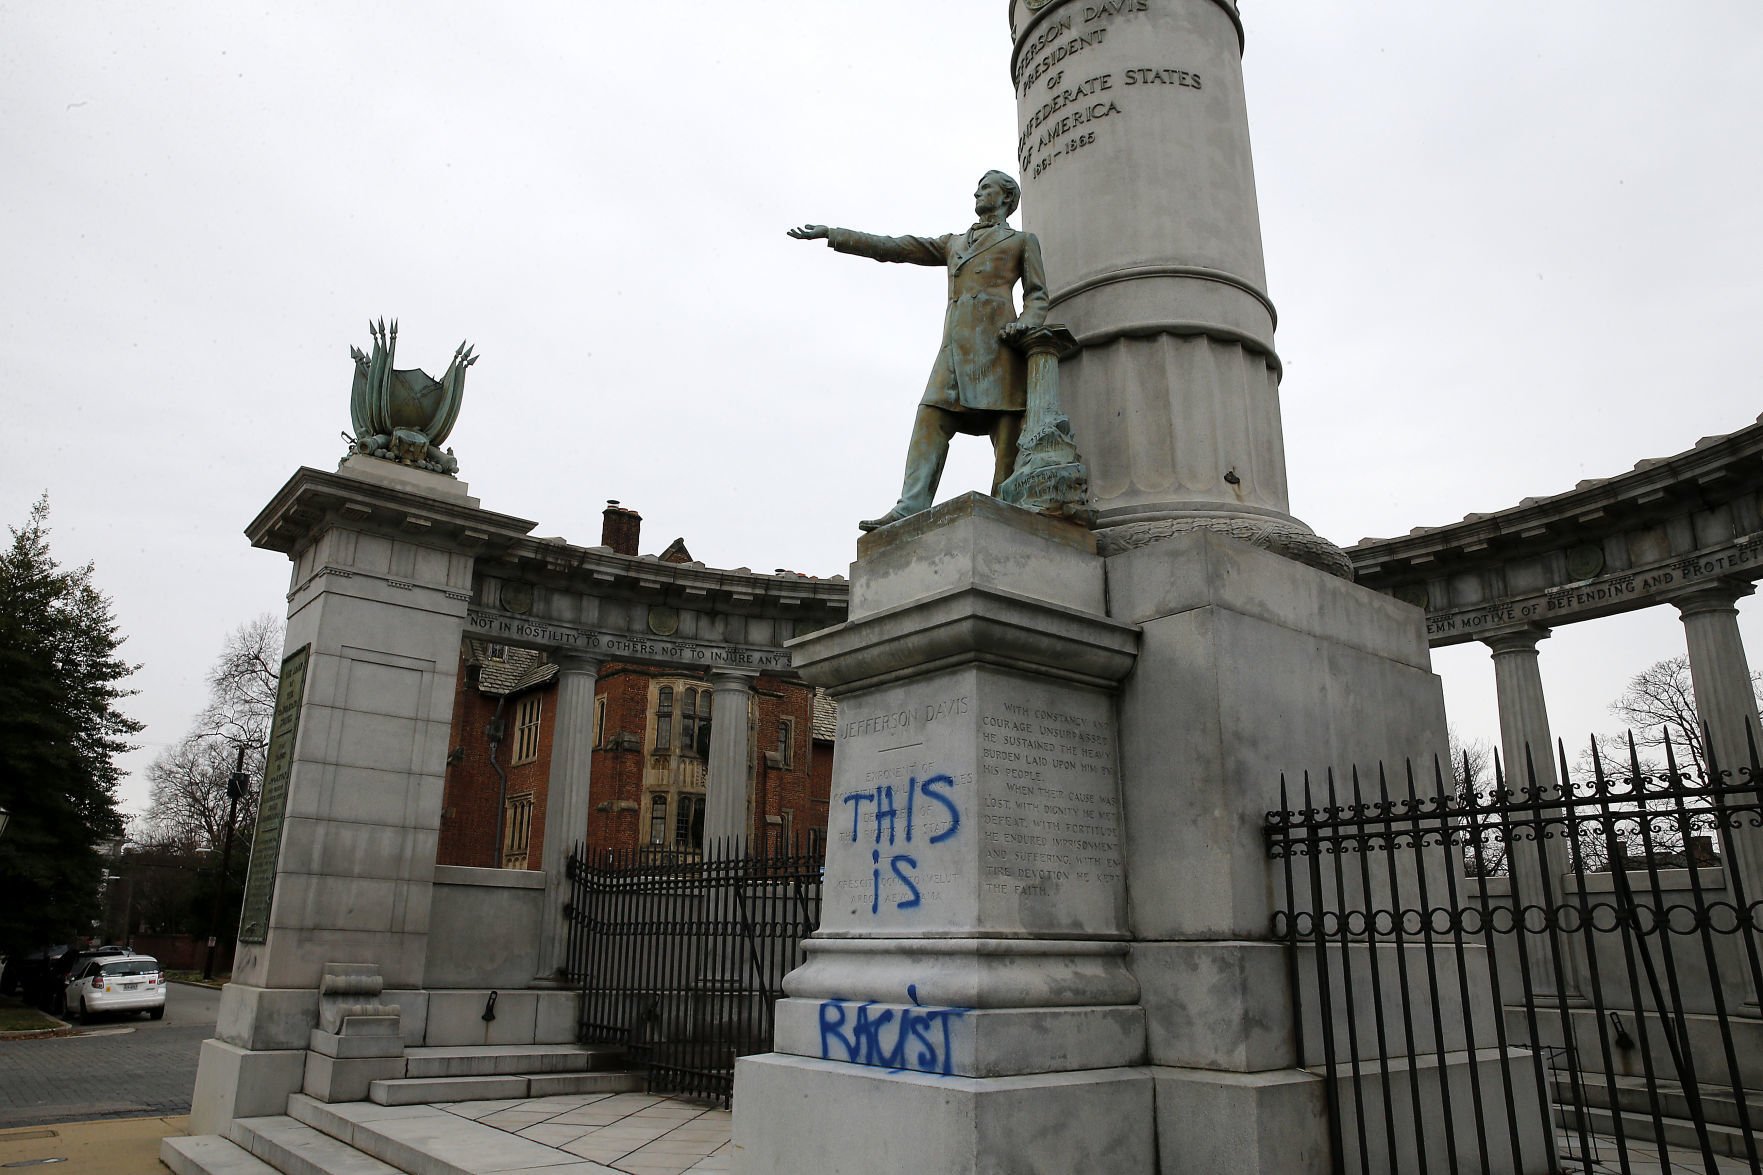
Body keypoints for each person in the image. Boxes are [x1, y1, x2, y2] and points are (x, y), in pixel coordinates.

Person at [789, 170, 1049, 531]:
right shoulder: (954, 243)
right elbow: (897, 247)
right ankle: (910, 504)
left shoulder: (1021, 241)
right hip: (955, 350)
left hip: (1000, 350)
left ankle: (1006, 513)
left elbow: (1037, 295)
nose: (976, 193)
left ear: (1006, 197)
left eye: (985, 188)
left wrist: (1027, 323)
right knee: (930, 416)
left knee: (1007, 439)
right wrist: (835, 235)